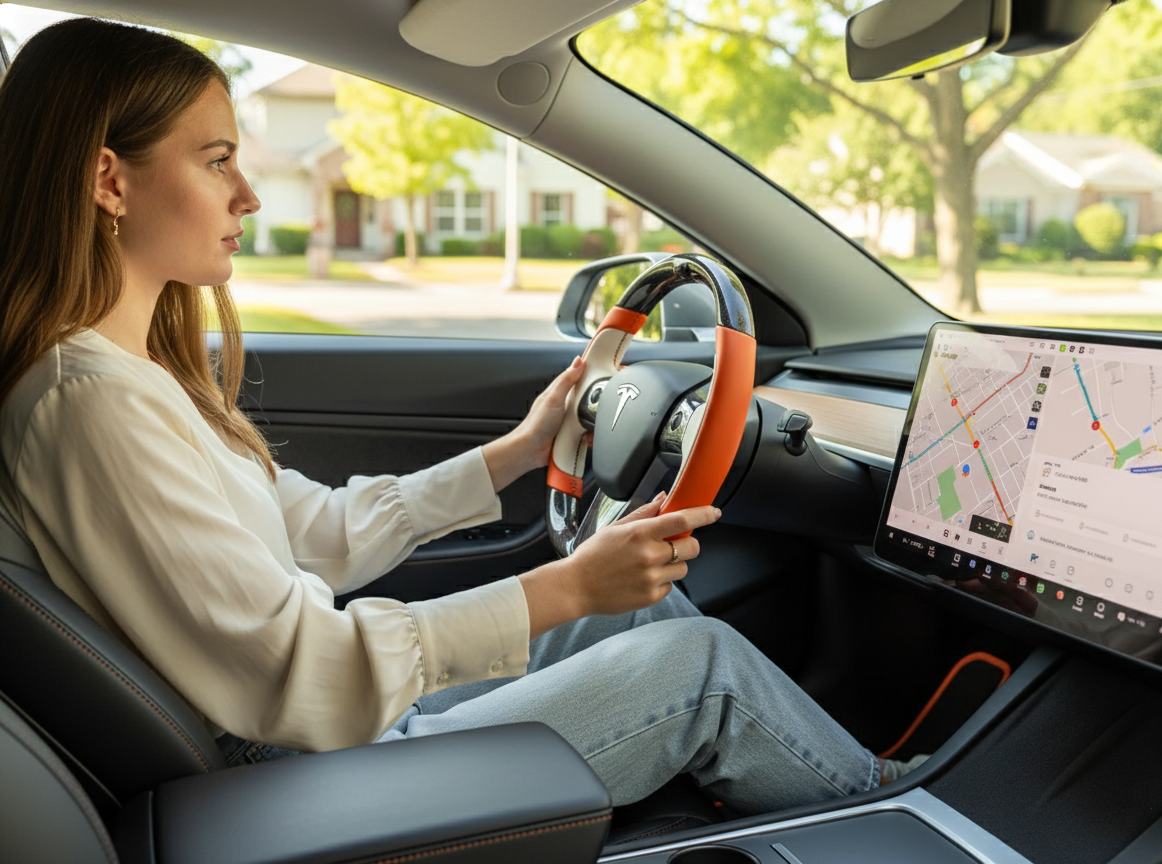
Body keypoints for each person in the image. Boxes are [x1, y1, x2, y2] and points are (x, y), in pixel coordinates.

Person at [0, 17, 893, 815]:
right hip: (298, 767)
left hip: (309, 738)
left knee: (646, 620)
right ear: (108, 181)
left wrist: (516, 452)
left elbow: (313, 527)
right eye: (217, 159)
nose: (250, 196)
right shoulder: (90, 401)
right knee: (706, 673)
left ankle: (805, 789)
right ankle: (884, 804)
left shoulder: (123, 377)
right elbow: (294, 672)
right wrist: (570, 585)